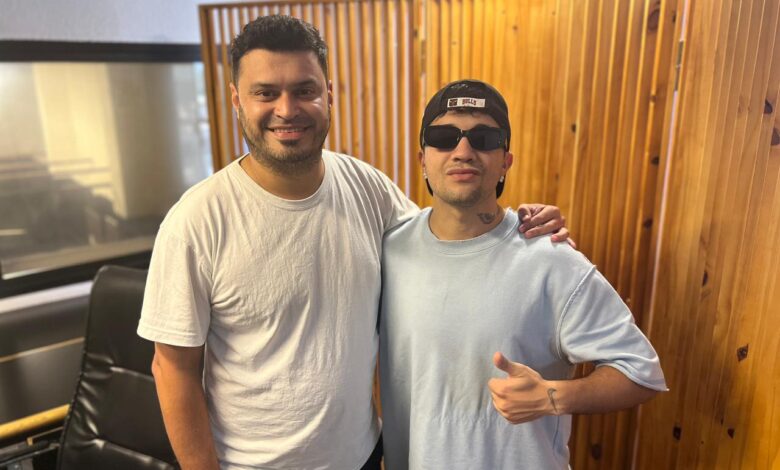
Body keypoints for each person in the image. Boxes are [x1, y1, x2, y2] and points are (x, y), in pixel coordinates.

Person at [137, 16, 568, 470]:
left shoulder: (367, 187)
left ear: (328, 95)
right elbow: (172, 368)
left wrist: (518, 226)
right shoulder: (196, 221)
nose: (287, 109)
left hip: (363, 455)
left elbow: (445, 244)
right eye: (265, 93)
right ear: (236, 100)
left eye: (304, 90)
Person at [378, 79, 667, 470]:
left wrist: (552, 397)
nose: (463, 151)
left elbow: (640, 372)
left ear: (505, 161)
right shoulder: (388, 252)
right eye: (444, 138)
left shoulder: (551, 260)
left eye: (484, 138)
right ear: (422, 159)